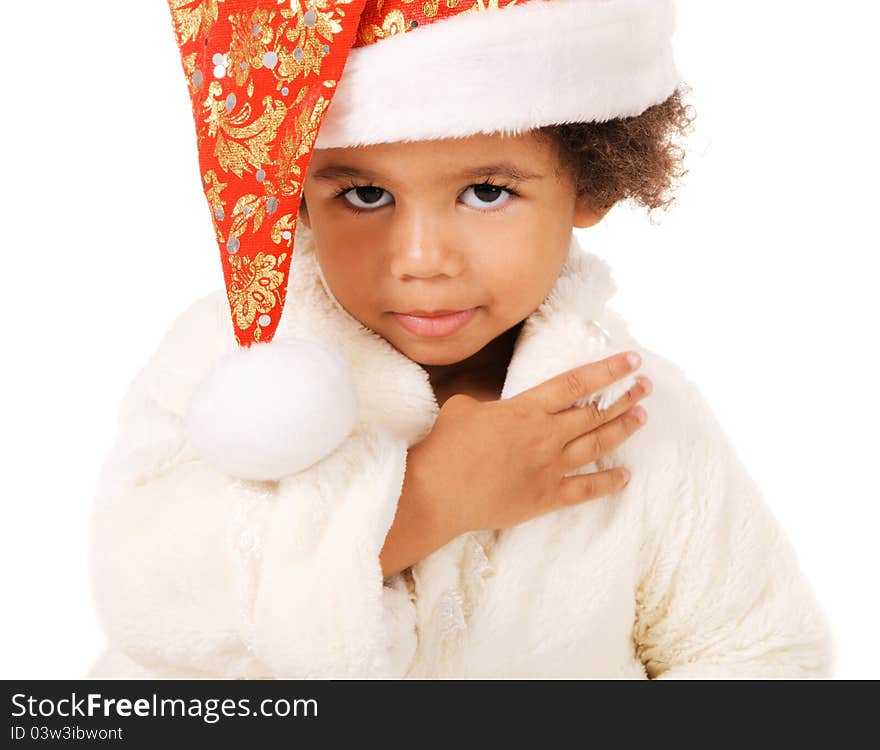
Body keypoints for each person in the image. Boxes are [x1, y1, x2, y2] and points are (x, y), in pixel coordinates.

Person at [86, 0, 834, 678]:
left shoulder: (632, 418)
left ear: (593, 182)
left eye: (486, 192)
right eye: (365, 194)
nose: (421, 260)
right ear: (296, 200)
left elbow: (758, 653)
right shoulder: (224, 372)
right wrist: (428, 500)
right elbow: (152, 601)